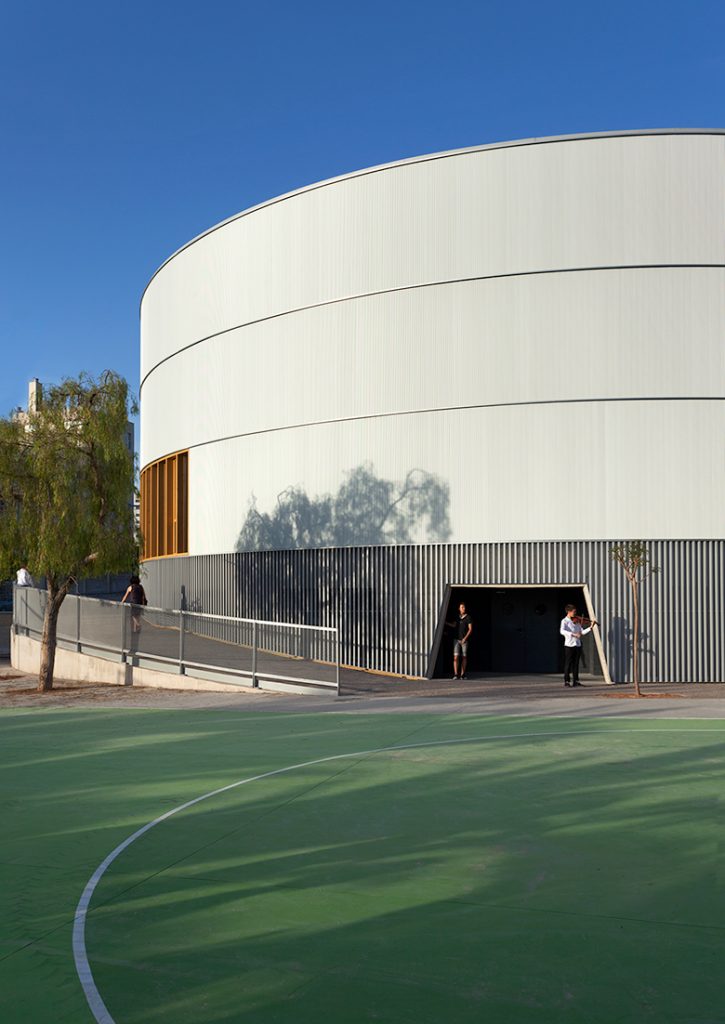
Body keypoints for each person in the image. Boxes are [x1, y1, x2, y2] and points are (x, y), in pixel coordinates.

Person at [560, 604, 594, 687]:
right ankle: (567, 681)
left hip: (577, 645)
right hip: (569, 645)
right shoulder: (564, 621)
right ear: (569, 612)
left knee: (576, 664)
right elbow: (562, 631)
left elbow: (581, 632)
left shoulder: (577, 621)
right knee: (568, 663)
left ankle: (576, 681)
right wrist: (573, 634)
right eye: (574, 612)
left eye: (575, 612)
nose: (575, 614)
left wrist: (590, 627)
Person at [447, 602, 473, 679]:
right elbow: (454, 625)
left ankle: (463, 674)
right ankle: (455, 674)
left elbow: (470, 629)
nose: (463, 608)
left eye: (464, 607)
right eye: (461, 607)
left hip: (464, 640)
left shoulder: (468, 617)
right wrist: (446, 623)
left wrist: (465, 638)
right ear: (459, 608)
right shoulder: (457, 617)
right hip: (456, 640)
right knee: (455, 657)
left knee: (464, 657)